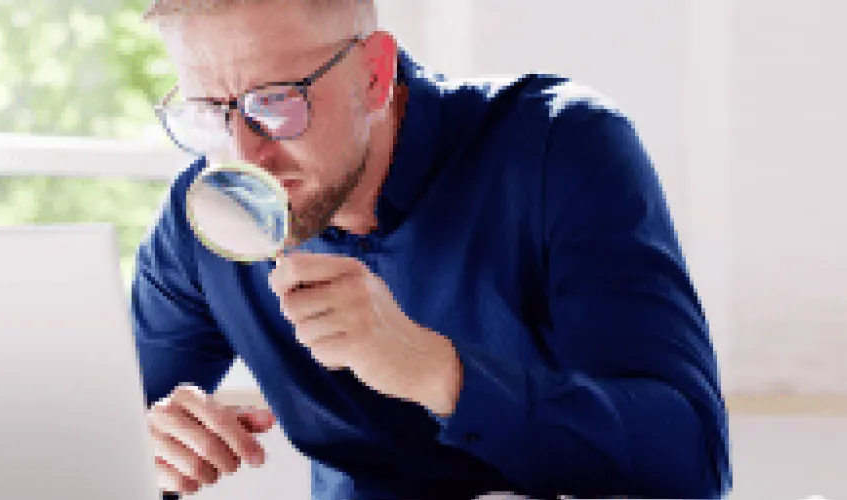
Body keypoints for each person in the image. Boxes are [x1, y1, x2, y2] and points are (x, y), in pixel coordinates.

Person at [129, 1, 732, 499]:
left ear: (373, 74)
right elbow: (105, 428)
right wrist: (148, 449)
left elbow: (692, 464)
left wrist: (436, 370)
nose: (245, 157)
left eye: (276, 103)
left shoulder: (559, 149)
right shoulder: (205, 216)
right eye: (210, 112)